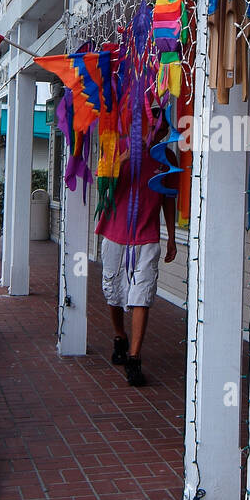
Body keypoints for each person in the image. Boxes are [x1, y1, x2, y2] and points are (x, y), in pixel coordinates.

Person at [96, 114, 177, 387]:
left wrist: (172, 237)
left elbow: (168, 199)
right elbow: (104, 184)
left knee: (142, 294)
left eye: (164, 127)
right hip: (115, 232)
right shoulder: (119, 146)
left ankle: (134, 359)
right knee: (114, 291)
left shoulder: (167, 158)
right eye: (155, 125)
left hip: (147, 236)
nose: (160, 131)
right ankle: (120, 335)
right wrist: (124, 158)